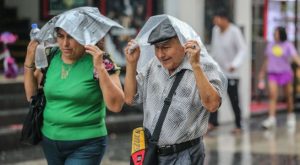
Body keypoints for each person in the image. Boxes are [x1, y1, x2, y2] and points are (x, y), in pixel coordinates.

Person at [24, 7, 124, 165]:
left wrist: (100, 69)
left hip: (87, 143)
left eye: (71, 37)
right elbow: (31, 96)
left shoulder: (101, 60)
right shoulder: (51, 56)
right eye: (60, 36)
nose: (65, 44)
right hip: (50, 139)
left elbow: (116, 105)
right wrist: (29, 63)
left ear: (84, 36)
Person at [124, 15, 226, 165]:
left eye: (165, 47)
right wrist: (131, 64)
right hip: (152, 154)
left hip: (185, 155)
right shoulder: (153, 65)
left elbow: (212, 105)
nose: (160, 54)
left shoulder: (203, 66)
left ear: (183, 43)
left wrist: (196, 66)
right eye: (157, 48)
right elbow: (130, 98)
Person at [208, 8, 247, 134]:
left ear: (225, 19)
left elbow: (242, 49)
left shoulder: (234, 31)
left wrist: (234, 64)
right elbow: (215, 49)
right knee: (215, 96)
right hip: (218, 72)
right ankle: (213, 122)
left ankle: (239, 124)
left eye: (218, 19)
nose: (216, 23)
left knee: (234, 99)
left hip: (231, 73)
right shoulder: (215, 31)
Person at [259, 26, 300, 129]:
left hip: (285, 73)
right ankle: (271, 118)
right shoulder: (270, 45)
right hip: (273, 73)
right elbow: (267, 60)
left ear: (281, 34)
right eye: (274, 33)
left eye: (277, 33)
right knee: (272, 95)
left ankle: (290, 116)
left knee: (288, 96)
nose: (275, 35)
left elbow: (295, 57)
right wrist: (262, 72)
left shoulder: (288, 45)